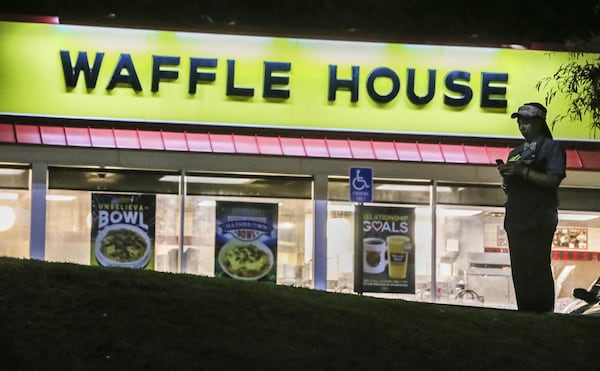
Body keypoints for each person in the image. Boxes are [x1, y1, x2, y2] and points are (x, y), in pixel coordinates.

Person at [497, 102, 566, 313]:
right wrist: (508, 176)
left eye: (526, 122)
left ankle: (543, 312)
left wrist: (523, 173)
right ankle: (524, 311)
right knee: (519, 267)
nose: (522, 126)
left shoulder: (551, 148)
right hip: (516, 215)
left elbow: (553, 180)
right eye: (519, 121)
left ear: (539, 123)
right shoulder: (515, 152)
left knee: (537, 264)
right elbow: (511, 185)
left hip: (539, 216)